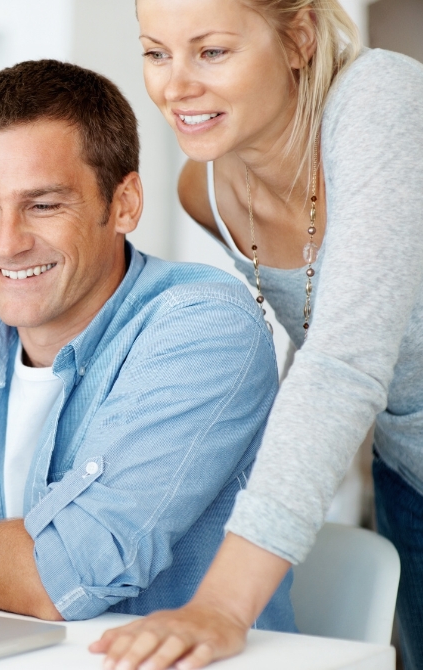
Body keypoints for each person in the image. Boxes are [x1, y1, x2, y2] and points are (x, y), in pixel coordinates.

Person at [0, 59, 295, 627]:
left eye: (43, 205)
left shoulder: (201, 326)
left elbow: (64, 574)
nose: (6, 243)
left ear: (123, 204)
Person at [93, 1, 423, 668]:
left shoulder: (382, 100)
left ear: (297, 38)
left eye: (211, 51)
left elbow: (343, 360)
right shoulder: (204, 189)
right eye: (157, 53)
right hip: (408, 478)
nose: (175, 85)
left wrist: (222, 604)